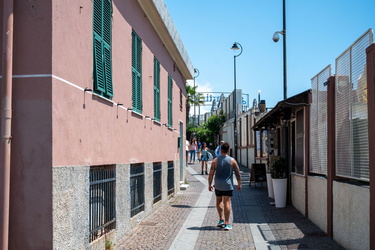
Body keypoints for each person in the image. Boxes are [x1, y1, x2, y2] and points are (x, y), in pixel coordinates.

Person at [208, 142, 242, 230]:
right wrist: (239, 184)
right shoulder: (232, 161)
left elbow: (211, 174)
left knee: (218, 201)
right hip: (228, 184)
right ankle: (227, 223)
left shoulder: (215, 161)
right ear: (229, 150)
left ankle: (221, 219)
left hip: (218, 184)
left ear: (220, 150)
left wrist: (209, 184)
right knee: (227, 202)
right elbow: (238, 173)